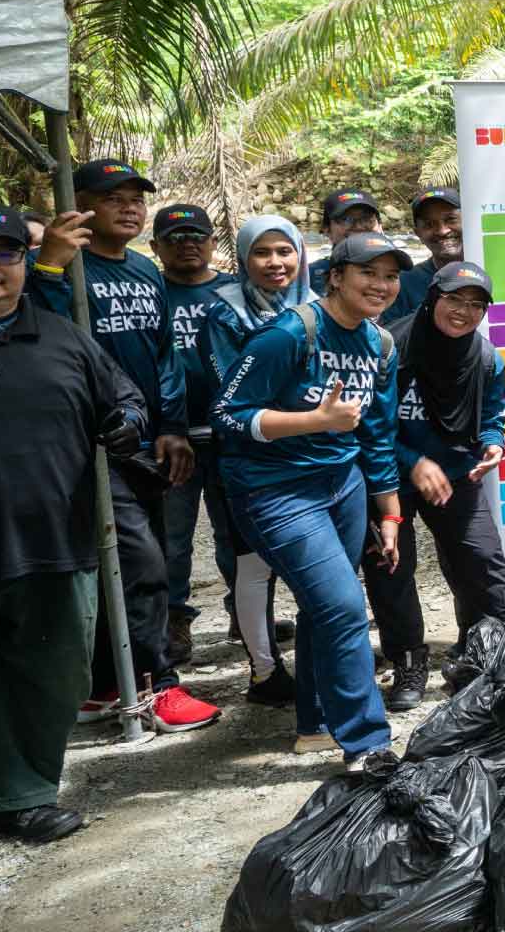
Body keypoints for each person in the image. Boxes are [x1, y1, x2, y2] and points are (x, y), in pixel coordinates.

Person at [0, 200, 148, 846]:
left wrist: (127, 424)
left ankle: (23, 794)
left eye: (6, 252)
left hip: (55, 549)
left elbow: (125, 399)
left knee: (48, 680)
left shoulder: (62, 336)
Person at [31, 160, 216, 732]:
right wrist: (50, 264)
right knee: (140, 562)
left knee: (140, 554)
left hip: (141, 440)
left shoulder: (142, 269)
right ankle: (156, 685)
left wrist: (172, 426)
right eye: (114, 198)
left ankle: (111, 683)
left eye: (137, 198)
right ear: (80, 202)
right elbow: (43, 331)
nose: (130, 207)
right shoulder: (62, 267)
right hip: (85, 440)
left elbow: (164, 356)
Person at [213, 231, 408, 770]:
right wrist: (314, 421)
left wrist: (388, 512)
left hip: (341, 487)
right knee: (344, 607)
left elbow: (376, 435)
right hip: (275, 492)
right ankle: (367, 744)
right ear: (335, 277)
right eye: (368, 272)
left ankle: (317, 722)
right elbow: (227, 416)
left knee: (325, 609)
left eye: (391, 276)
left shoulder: (380, 344)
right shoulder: (287, 335)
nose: (381, 285)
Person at [389, 259, 505, 702]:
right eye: (454, 300)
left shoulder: (484, 356)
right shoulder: (392, 346)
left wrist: (492, 442)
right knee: (394, 570)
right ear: (432, 299)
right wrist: (413, 461)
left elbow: (497, 409)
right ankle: (408, 664)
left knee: (482, 562)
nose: (463, 311)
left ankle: (493, 655)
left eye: (476, 305)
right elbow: (368, 425)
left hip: (457, 471)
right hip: (392, 478)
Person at [202, 217, 313, 702]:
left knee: (317, 565)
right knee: (253, 567)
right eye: (262, 253)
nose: (275, 263)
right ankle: (264, 672)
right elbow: (231, 392)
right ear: (244, 259)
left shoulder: (316, 306)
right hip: (251, 459)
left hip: (314, 458)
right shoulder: (223, 314)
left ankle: (321, 659)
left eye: (285, 251)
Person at [153, 202, 228, 666]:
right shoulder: (149, 290)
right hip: (171, 436)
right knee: (172, 538)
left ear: (211, 241)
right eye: (176, 237)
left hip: (229, 435)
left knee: (237, 534)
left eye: (196, 235)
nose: (187, 244)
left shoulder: (234, 292)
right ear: (157, 246)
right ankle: (174, 621)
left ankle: (245, 614)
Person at [387, 187, 462, 329]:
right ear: (418, 233)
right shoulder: (403, 283)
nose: (442, 230)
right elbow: (387, 338)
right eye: (429, 224)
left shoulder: (497, 268)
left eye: (450, 219)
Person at [306, 188, 382, 292]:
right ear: (326, 230)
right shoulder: (308, 277)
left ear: (380, 226)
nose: (359, 226)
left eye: (367, 219)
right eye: (346, 219)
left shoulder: (399, 273)